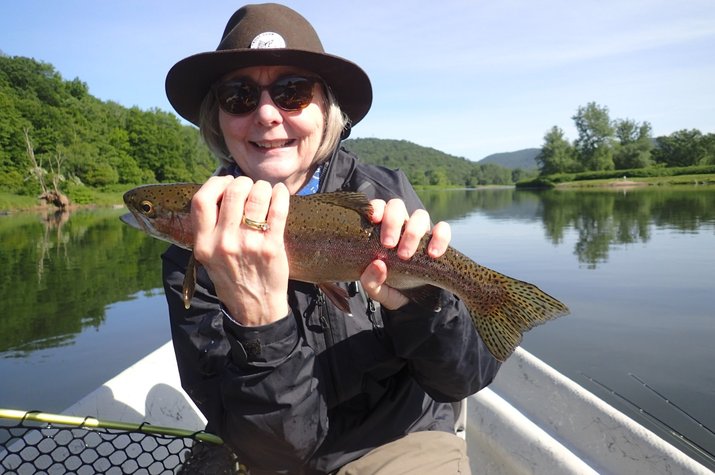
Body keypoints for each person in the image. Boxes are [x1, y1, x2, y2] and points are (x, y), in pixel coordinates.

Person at [161, 3, 501, 474]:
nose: (265, 114)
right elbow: (272, 450)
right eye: (238, 95)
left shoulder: (382, 199)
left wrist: (421, 304)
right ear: (216, 117)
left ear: (328, 110)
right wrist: (258, 321)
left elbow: (466, 376)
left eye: (291, 92)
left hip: (399, 441)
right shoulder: (200, 243)